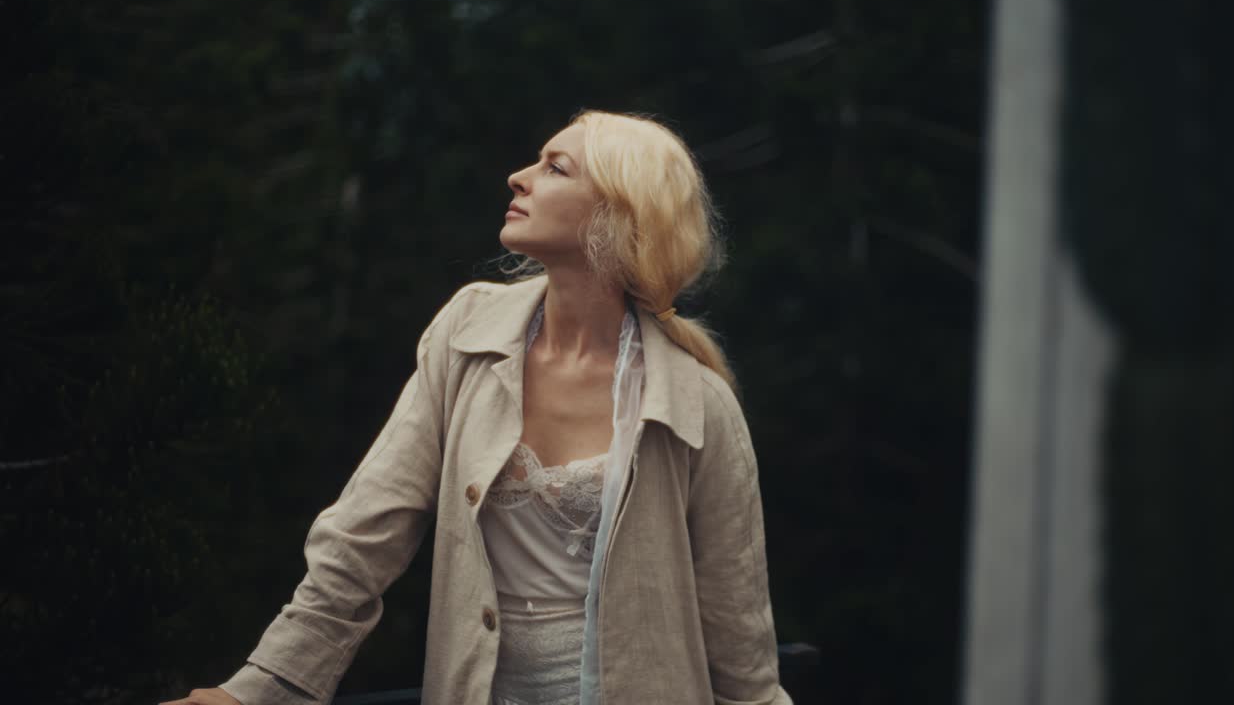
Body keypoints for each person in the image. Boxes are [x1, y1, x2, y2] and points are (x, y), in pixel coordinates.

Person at [160, 109, 792, 705]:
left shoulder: (697, 402)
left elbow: (740, 643)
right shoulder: (467, 333)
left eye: (555, 167)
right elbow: (366, 531)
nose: (519, 177)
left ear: (619, 216)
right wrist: (260, 687)